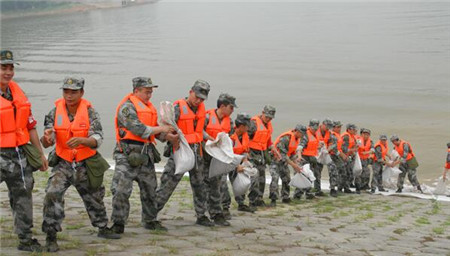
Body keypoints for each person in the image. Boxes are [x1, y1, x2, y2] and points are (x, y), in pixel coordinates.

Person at [40, 77, 120, 252]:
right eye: (66, 91)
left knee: (94, 196)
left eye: (73, 92)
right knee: (52, 193)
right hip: (63, 162)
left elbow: (98, 138)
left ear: (81, 93)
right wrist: (48, 137)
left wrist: (84, 140)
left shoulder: (91, 112)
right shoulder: (54, 112)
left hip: (85, 163)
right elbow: (45, 142)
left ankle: (102, 227)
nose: (69, 96)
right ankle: (51, 235)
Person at [110, 77, 177, 235]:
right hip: (126, 154)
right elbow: (139, 129)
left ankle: (150, 220)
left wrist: (169, 137)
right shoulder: (127, 108)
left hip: (146, 154)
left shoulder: (149, 108)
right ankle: (118, 223)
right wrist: (162, 128)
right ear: (136, 90)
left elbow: (154, 132)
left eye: (151, 92)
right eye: (147, 91)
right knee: (121, 189)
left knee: (150, 189)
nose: (149, 95)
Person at [0, 50, 48, 252]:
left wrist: (40, 154)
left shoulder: (19, 94)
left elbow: (30, 126)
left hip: (18, 156)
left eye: (11, 68)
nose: (8, 72)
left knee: (23, 196)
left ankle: (25, 239)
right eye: (4, 68)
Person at [155, 80, 214, 226]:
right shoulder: (177, 108)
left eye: (202, 99)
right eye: (197, 97)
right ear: (191, 92)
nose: (198, 101)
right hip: (179, 152)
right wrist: (169, 138)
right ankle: (151, 215)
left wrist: (209, 139)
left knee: (200, 185)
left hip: (197, 152)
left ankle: (201, 216)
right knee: (167, 184)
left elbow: (199, 130)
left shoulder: (201, 109)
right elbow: (162, 128)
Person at [203, 93, 236, 226]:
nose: (232, 111)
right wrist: (211, 140)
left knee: (217, 186)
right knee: (203, 186)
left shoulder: (230, 121)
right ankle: (202, 213)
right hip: (205, 156)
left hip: (218, 158)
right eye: (231, 107)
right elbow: (199, 131)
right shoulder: (206, 116)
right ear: (222, 106)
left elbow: (230, 138)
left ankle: (216, 214)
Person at [221, 113, 254, 216]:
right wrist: (236, 166)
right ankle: (225, 207)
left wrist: (245, 161)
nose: (249, 128)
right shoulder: (229, 135)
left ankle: (241, 203)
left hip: (237, 161)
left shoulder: (245, 136)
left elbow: (244, 150)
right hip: (225, 162)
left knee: (240, 182)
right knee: (222, 184)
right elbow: (226, 153)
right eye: (247, 126)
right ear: (241, 126)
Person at [269, 124, 306, 207]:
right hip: (275, 160)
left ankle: (285, 197)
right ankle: (273, 199)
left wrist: (296, 163)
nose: (302, 135)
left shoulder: (297, 139)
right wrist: (294, 165)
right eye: (301, 133)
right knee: (275, 178)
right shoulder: (286, 138)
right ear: (297, 131)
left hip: (284, 162)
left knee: (286, 178)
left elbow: (292, 153)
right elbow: (283, 155)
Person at [247, 105, 276, 208]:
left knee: (262, 177)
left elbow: (268, 140)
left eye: (270, 118)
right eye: (267, 117)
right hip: (252, 153)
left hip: (262, 153)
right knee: (254, 177)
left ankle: (259, 199)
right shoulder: (253, 123)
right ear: (262, 112)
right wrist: (246, 153)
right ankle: (252, 201)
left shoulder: (268, 125)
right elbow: (245, 137)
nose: (268, 119)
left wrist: (273, 149)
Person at [293, 119, 321, 200]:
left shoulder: (315, 135)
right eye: (313, 128)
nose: (315, 130)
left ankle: (308, 193)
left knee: (311, 176)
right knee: (303, 176)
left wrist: (319, 147)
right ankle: (297, 195)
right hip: (304, 158)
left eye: (316, 129)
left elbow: (312, 146)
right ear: (310, 127)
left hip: (312, 158)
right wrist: (299, 157)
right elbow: (300, 147)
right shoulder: (306, 135)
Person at [315, 118, 334, 196]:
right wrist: (318, 147)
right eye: (327, 126)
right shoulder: (314, 131)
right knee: (317, 172)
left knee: (333, 168)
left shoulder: (329, 133)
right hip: (315, 154)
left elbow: (333, 143)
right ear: (322, 124)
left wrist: (328, 149)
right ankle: (317, 190)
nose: (328, 128)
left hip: (325, 154)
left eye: (329, 127)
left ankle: (333, 188)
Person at [338, 123, 359, 194]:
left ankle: (344, 187)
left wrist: (354, 149)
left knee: (347, 173)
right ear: (349, 129)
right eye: (353, 129)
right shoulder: (346, 136)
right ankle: (342, 188)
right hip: (344, 157)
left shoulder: (352, 136)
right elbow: (344, 149)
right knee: (346, 173)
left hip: (348, 156)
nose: (355, 130)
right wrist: (353, 150)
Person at [327, 120, 345, 197]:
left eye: (340, 127)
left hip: (337, 156)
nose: (340, 128)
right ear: (333, 128)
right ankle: (332, 189)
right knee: (333, 172)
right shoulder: (332, 135)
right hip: (331, 156)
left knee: (342, 170)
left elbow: (339, 147)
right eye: (338, 127)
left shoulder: (338, 135)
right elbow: (333, 148)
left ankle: (339, 187)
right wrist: (341, 155)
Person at [355, 128, 374, 193]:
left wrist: (367, 153)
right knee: (359, 172)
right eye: (364, 134)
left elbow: (372, 150)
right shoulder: (358, 140)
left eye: (367, 134)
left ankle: (365, 185)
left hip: (365, 159)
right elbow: (355, 147)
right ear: (362, 134)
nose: (366, 135)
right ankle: (358, 186)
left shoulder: (370, 142)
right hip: (358, 159)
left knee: (367, 172)